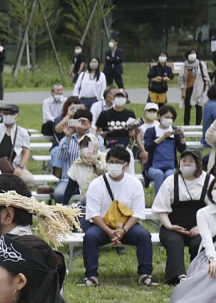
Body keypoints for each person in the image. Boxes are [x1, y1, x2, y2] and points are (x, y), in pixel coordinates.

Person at [81, 146, 156, 287]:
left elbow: (138, 213)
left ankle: (145, 274)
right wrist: (109, 232)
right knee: (90, 237)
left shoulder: (134, 184)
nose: (113, 165)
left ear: (125, 165)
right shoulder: (96, 184)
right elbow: (93, 213)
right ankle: (91, 276)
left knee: (144, 235)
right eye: (110, 161)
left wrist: (123, 230)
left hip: (127, 226)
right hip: (102, 226)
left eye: (117, 162)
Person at [153, 150, 215, 285]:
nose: (187, 164)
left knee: (199, 243)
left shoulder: (208, 180)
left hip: (200, 226)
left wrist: (200, 227)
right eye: (184, 160)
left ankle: (200, 275)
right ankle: (177, 277)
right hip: (173, 226)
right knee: (174, 242)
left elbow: (213, 209)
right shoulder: (171, 181)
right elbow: (160, 208)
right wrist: (169, 226)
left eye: (191, 161)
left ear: (198, 164)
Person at [0, 103, 35, 185]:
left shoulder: (23, 132)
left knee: (29, 180)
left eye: (11, 114)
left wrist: (20, 167)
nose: (8, 116)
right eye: (6, 114)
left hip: (14, 166)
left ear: (16, 115)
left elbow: (26, 152)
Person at [142, 105, 185, 191]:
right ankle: (158, 201)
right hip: (153, 166)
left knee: (169, 175)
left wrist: (182, 136)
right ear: (160, 117)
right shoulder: (151, 131)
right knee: (159, 174)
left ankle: (169, 200)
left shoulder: (174, 130)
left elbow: (182, 149)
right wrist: (163, 137)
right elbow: (148, 147)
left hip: (170, 166)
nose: (169, 119)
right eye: (166, 117)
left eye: (171, 118)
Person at [181, 49, 212, 127]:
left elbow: (206, 77)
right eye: (191, 53)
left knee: (198, 107)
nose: (192, 54)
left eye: (194, 53)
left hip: (199, 89)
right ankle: (186, 126)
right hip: (188, 89)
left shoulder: (201, 64)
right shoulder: (185, 65)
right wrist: (183, 91)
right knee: (187, 109)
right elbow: (181, 79)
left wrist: (206, 87)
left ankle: (197, 125)